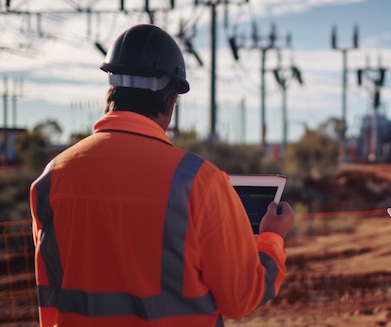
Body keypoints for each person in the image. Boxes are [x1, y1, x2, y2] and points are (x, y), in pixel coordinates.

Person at [29, 23, 295, 327]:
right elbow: (240, 297)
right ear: (171, 101)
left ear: (110, 92)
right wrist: (272, 237)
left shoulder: (52, 177)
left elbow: (49, 294)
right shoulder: (198, 181)